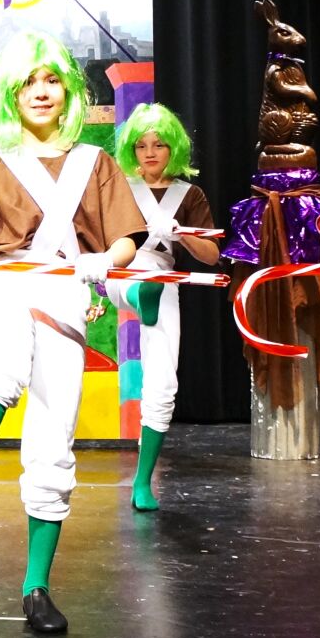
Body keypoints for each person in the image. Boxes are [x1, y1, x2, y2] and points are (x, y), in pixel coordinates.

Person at [0, 34, 146, 634]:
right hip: (7, 284)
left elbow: (126, 237)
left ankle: (36, 587)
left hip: (68, 295)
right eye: (28, 83)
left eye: (51, 81)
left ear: (68, 91)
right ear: (10, 96)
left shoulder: (96, 164)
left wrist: (108, 260)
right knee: (6, 358)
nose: (41, 92)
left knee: (53, 442)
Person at [104, 103, 219, 511]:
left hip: (163, 277)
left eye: (159, 145)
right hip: (118, 268)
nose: (150, 153)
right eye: (141, 145)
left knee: (163, 381)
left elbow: (210, 256)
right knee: (123, 278)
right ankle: (135, 294)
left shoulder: (190, 194)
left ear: (175, 149)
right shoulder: (118, 186)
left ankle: (142, 481)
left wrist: (183, 235)